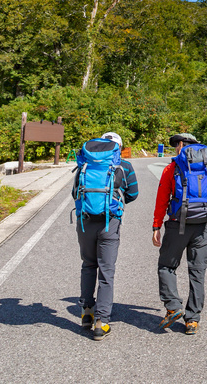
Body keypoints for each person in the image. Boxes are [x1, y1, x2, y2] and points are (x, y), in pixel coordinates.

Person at [152, 133, 207, 335]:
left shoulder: (173, 167)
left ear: (182, 145)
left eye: (177, 145)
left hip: (177, 225)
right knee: (197, 272)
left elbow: (162, 199)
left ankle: (173, 306)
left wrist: (156, 226)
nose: (176, 148)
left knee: (166, 266)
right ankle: (192, 320)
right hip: (202, 225)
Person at [73, 131, 138, 340]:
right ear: (118, 148)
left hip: (85, 222)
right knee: (106, 271)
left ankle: (86, 313)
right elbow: (134, 194)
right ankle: (102, 322)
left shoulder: (85, 164)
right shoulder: (124, 166)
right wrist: (116, 200)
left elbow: (76, 193)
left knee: (88, 265)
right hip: (110, 223)